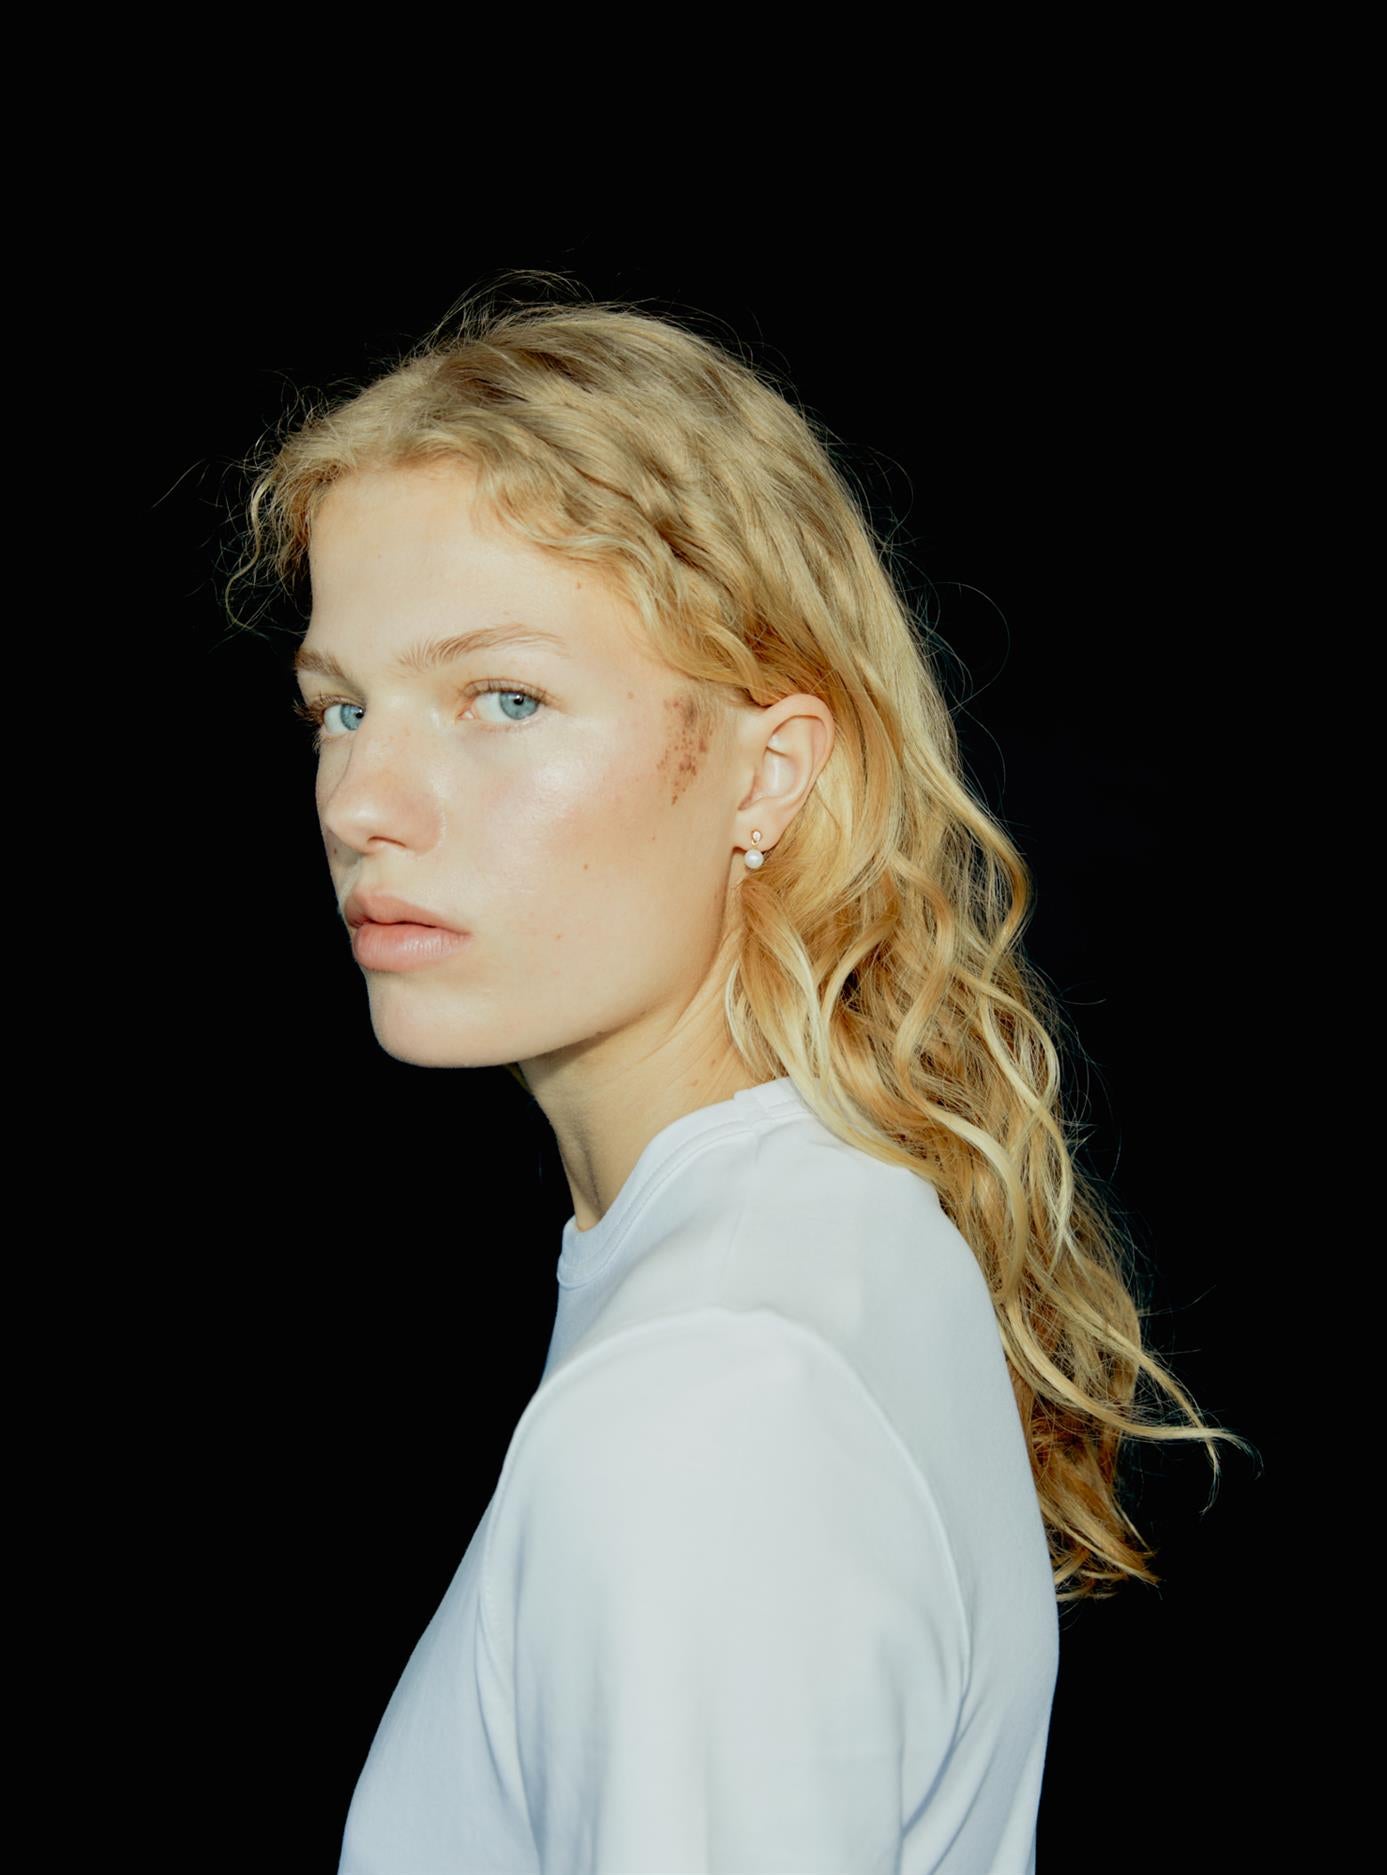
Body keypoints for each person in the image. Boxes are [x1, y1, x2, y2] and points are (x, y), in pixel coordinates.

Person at [225, 276, 1241, 1874]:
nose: (362, 799)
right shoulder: (836, 1230)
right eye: (341, 706)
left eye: (504, 698)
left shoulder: (706, 1403)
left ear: (768, 773)